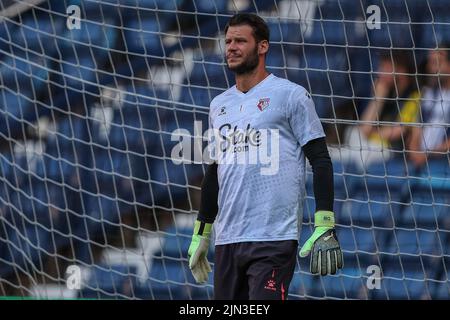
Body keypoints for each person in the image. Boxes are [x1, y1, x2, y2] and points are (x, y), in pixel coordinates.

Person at [186, 13, 343, 300]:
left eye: (240, 41)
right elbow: (214, 172)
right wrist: (202, 231)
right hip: (229, 239)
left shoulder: (291, 96)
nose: (231, 47)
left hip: (274, 238)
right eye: (228, 41)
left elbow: (320, 159)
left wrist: (324, 223)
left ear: (262, 47)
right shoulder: (218, 105)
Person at [334, 50, 420, 169]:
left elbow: (399, 131)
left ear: (401, 71)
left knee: (357, 151)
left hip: (391, 150)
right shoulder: (387, 93)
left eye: (385, 68)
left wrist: (370, 133)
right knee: (353, 134)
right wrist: (378, 99)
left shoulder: (414, 96)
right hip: (369, 144)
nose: (380, 72)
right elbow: (364, 128)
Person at [408, 43, 450, 167]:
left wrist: (428, 154)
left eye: (436, 62)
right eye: (430, 62)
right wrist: (414, 151)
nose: (431, 67)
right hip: (420, 160)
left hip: (443, 162)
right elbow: (417, 128)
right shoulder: (427, 93)